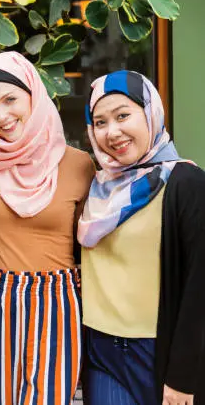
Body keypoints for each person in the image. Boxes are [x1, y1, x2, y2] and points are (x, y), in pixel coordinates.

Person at [0, 51, 95, 405]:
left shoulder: (80, 165)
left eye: (10, 100)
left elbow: (99, 238)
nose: (0, 116)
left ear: (33, 96)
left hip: (58, 301)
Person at [78, 70, 205, 405]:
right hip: (101, 351)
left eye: (123, 115)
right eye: (100, 122)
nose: (112, 132)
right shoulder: (96, 189)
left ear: (150, 113)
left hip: (157, 352)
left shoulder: (187, 182)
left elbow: (199, 289)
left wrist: (183, 377)